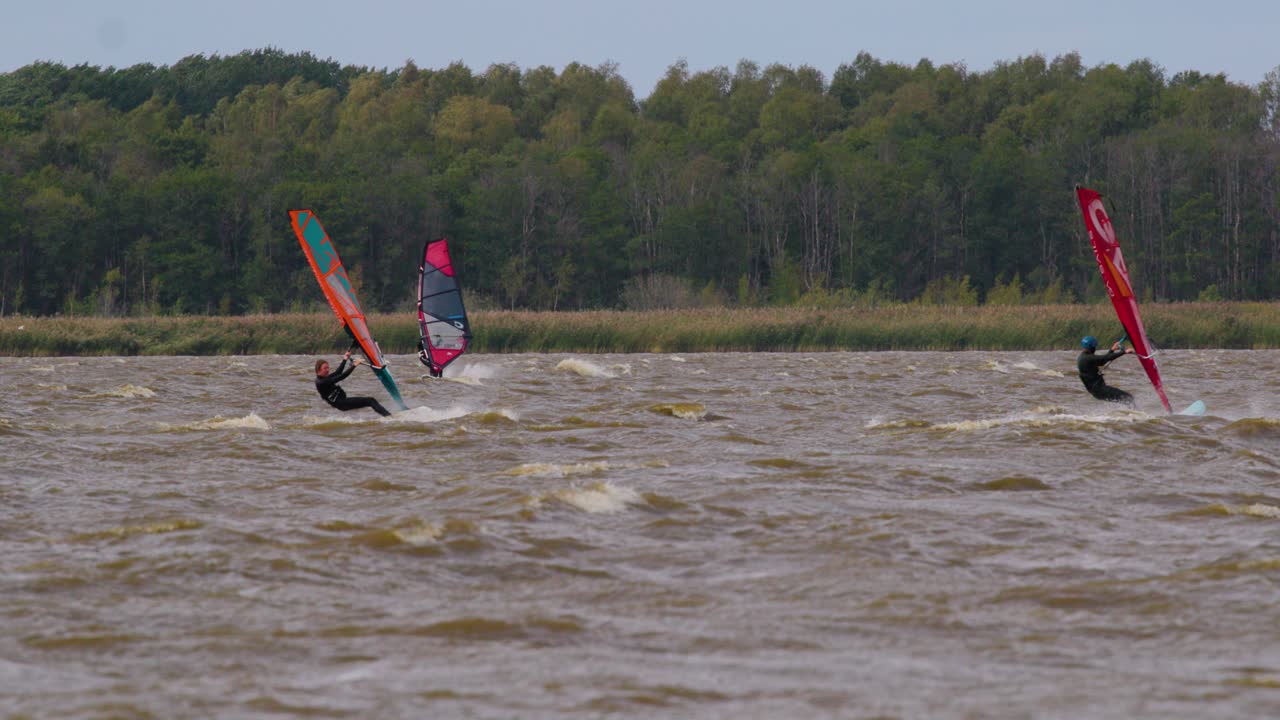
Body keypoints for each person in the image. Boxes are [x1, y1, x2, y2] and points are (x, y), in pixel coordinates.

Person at [314, 351, 391, 417]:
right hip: (342, 403)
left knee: (370, 401)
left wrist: (345, 359)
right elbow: (342, 376)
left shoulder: (324, 378)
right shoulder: (321, 382)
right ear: (318, 370)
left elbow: (338, 372)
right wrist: (354, 365)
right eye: (325, 368)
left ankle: (388, 416)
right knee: (370, 401)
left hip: (342, 402)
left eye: (328, 367)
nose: (327, 370)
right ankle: (389, 417)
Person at [1077, 335, 1134, 405]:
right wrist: (1124, 352)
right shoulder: (1087, 358)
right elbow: (1104, 358)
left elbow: (1102, 361)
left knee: (1124, 399)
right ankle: (1135, 414)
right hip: (1100, 390)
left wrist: (1112, 350)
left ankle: (1128, 414)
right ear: (1092, 347)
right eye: (1095, 346)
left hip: (1097, 391)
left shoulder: (1084, 357)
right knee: (1127, 397)